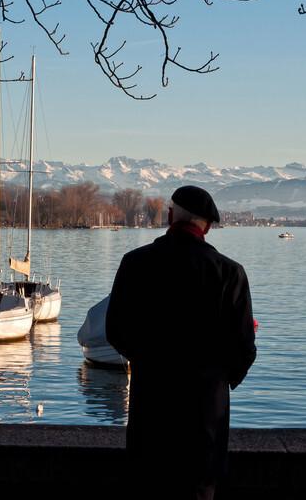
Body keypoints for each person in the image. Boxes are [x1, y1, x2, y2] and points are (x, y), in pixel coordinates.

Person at [106, 185, 256, 499]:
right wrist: (217, 378)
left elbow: (116, 331)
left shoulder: (135, 263)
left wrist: (147, 361)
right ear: (209, 226)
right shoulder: (230, 274)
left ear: (170, 216)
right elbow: (244, 349)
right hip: (205, 419)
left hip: (151, 409)